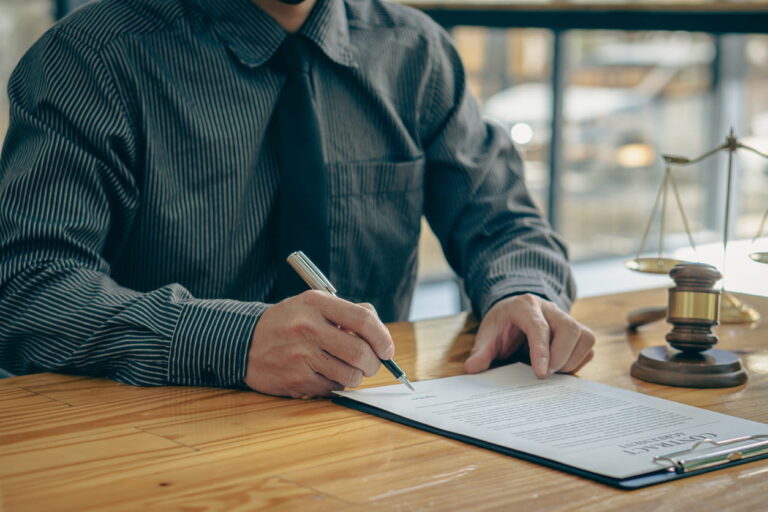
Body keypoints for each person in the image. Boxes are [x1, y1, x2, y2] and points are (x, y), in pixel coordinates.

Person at [0, 0, 594, 398]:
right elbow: (26, 288)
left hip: (373, 431)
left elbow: (506, 222)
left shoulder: (415, 52)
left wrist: (524, 293)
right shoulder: (90, 59)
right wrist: (231, 341)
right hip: (149, 442)